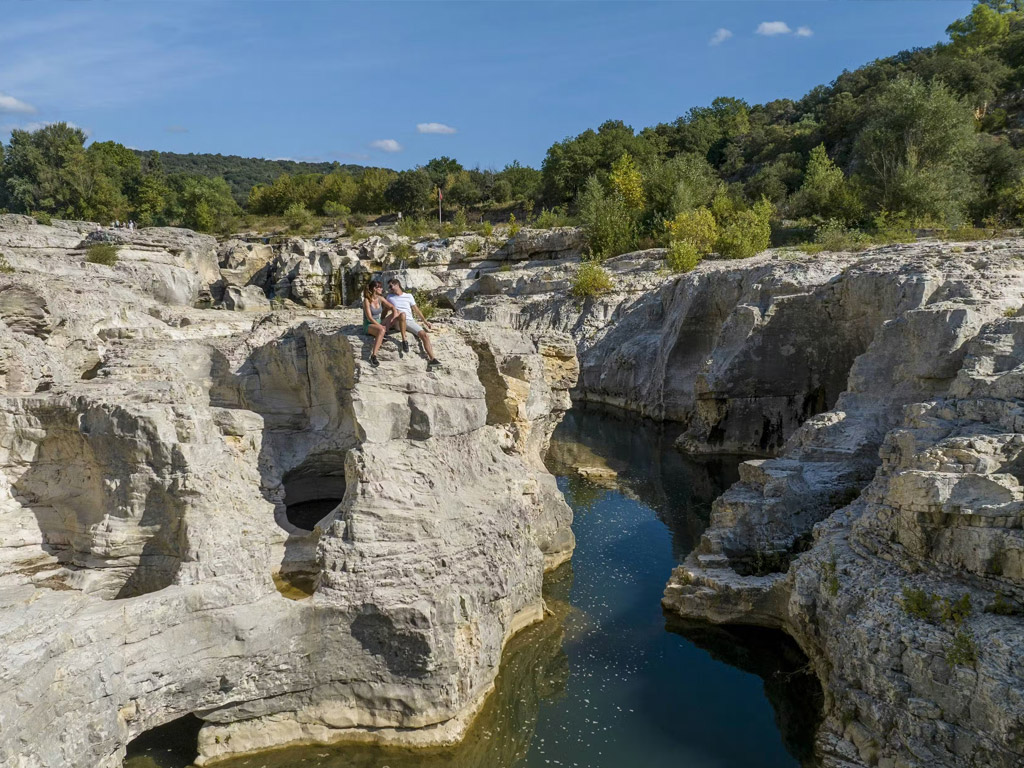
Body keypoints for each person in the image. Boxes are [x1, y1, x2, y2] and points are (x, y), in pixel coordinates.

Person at [386, 278, 440, 368]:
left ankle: (432, 359)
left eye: (391, 286)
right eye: (389, 287)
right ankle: (404, 341)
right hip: (398, 321)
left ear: (397, 285)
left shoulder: (409, 296)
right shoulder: (389, 297)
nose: (390, 289)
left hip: (409, 321)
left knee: (424, 335)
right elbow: (385, 310)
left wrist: (426, 322)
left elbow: (417, 310)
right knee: (402, 315)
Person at [361, 280, 402, 367]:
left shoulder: (380, 298)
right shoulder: (366, 300)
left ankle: (384, 332)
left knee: (398, 312)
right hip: (369, 324)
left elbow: (391, 307)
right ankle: (373, 356)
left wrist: (394, 312)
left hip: (379, 321)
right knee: (381, 330)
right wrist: (380, 326)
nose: (382, 289)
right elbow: (369, 318)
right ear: (375, 289)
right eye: (380, 287)